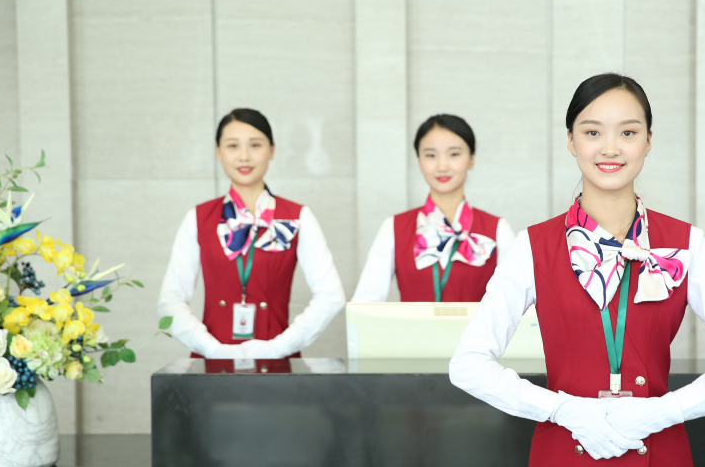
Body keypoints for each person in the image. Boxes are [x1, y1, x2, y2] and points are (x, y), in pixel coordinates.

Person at [449, 74, 705, 467]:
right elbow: (467, 364)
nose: (610, 148)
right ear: (570, 141)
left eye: (628, 132)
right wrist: (563, 409)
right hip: (565, 466)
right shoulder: (533, 247)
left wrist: (662, 411)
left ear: (648, 141)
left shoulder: (685, 243)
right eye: (592, 131)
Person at [157, 109, 345, 373]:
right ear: (218, 152)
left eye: (255, 145)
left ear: (272, 150)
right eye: (233, 146)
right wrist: (211, 349)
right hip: (211, 366)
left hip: (277, 365)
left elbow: (331, 295)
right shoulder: (197, 218)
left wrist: (279, 347)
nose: (244, 156)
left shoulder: (298, 217)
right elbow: (171, 298)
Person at [352, 114, 514, 303]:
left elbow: (517, 304)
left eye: (454, 154)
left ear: (471, 159)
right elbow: (365, 304)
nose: (442, 166)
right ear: (419, 161)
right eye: (430, 155)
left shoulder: (498, 229)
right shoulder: (394, 228)